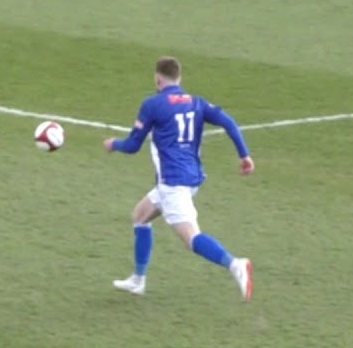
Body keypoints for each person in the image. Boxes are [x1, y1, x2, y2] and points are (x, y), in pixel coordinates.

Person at [103, 56, 255, 301]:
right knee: (140, 216)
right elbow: (229, 123)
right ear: (179, 78)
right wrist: (244, 155)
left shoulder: (153, 105)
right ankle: (138, 280)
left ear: (157, 78)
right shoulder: (196, 103)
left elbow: (133, 145)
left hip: (174, 184)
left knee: (192, 239)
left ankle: (235, 264)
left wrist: (114, 144)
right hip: (191, 177)